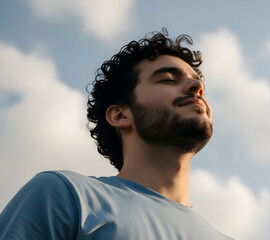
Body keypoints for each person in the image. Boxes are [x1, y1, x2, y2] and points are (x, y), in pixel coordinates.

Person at [0, 29, 232, 240]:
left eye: (198, 82)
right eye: (168, 79)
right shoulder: (67, 196)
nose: (196, 86)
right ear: (120, 115)